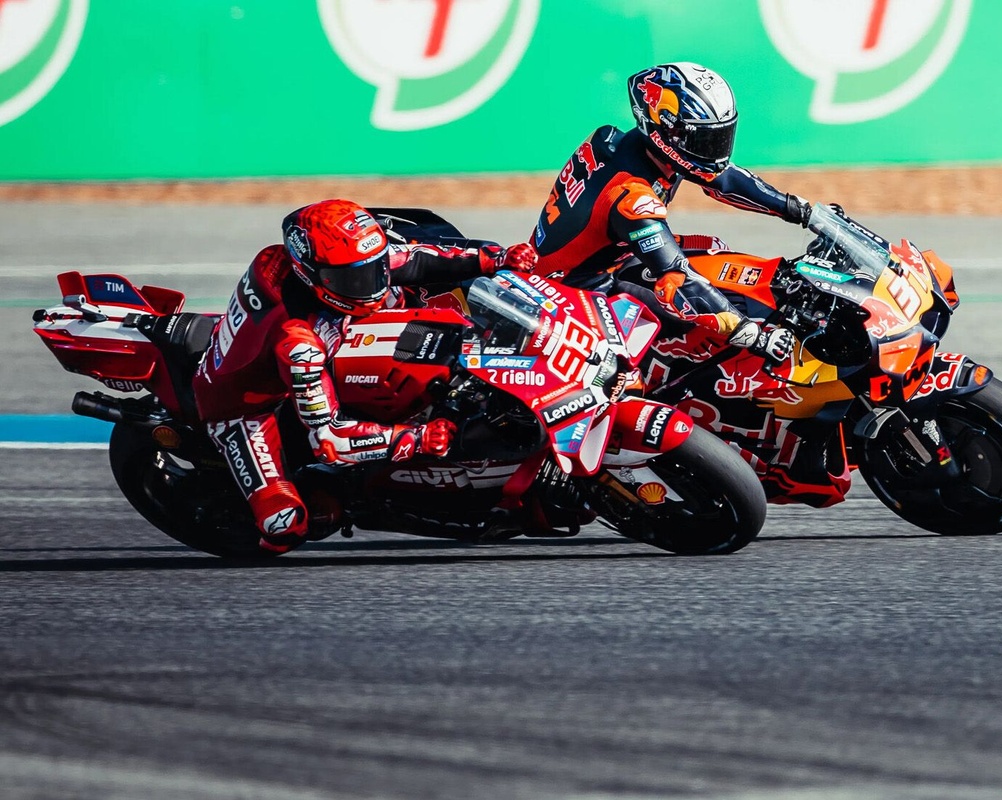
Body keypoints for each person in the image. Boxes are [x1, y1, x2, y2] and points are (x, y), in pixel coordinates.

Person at [193, 199, 538, 553]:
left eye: (374, 268)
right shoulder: (299, 343)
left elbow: (413, 258)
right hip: (246, 409)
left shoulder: (342, 268)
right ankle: (328, 498)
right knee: (284, 525)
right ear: (311, 275)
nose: (370, 285)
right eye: (352, 278)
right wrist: (416, 438)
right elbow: (329, 440)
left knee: (418, 301)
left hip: (312, 347)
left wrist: (496, 260)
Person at [530, 61, 817, 362]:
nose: (713, 151)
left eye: (719, 138)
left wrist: (802, 211)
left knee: (713, 251)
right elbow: (677, 277)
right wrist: (753, 335)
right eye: (702, 141)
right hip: (574, 297)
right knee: (686, 319)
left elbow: (725, 179)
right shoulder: (631, 195)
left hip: (609, 262)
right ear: (664, 131)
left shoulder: (632, 145)